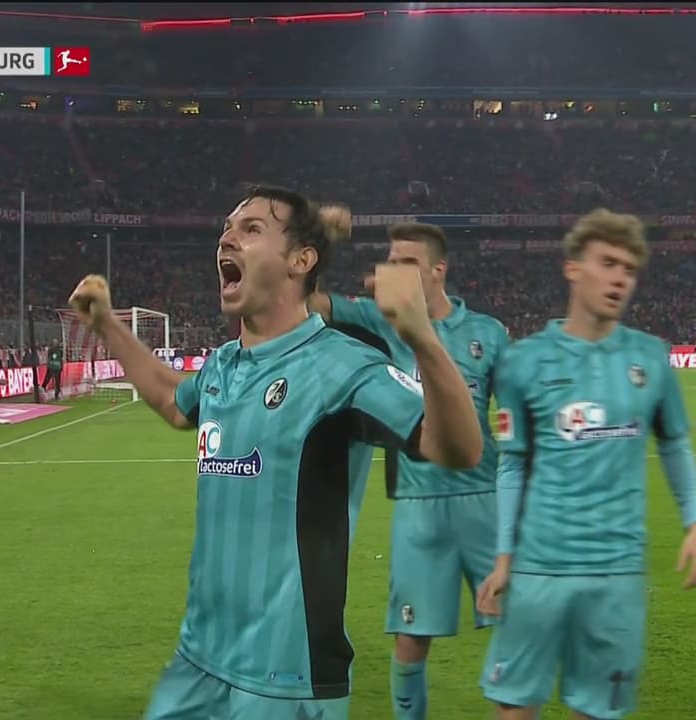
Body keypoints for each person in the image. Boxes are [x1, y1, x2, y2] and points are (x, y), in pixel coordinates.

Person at [68, 185, 484, 720]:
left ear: (300, 260)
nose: (227, 238)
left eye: (251, 228)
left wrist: (421, 337)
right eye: (227, 228)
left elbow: (458, 448)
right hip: (197, 662)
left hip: (286, 682)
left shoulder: (343, 366)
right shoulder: (222, 365)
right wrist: (106, 323)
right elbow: (174, 401)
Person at [476, 208, 696, 720]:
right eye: (607, 263)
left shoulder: (651, 358)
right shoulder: (524, 362)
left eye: (629, 269)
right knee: (513, 708)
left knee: (598, 710)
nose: (619, 279)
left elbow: (674, 444)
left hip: (617, 572)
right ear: (573, 268)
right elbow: (513, 465)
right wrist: (504, 558)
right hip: (539, 569)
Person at [307, 222, 509, 720]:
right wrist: (317, 242)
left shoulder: (488, 333)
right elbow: (306, 304)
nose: (393, 271)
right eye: (390, 261)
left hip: (485, 500)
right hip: (418, 505)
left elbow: (515, 425)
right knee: (409, 639)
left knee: (516, 625)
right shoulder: (380, 319)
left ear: (438, 270)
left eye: (406, 263)